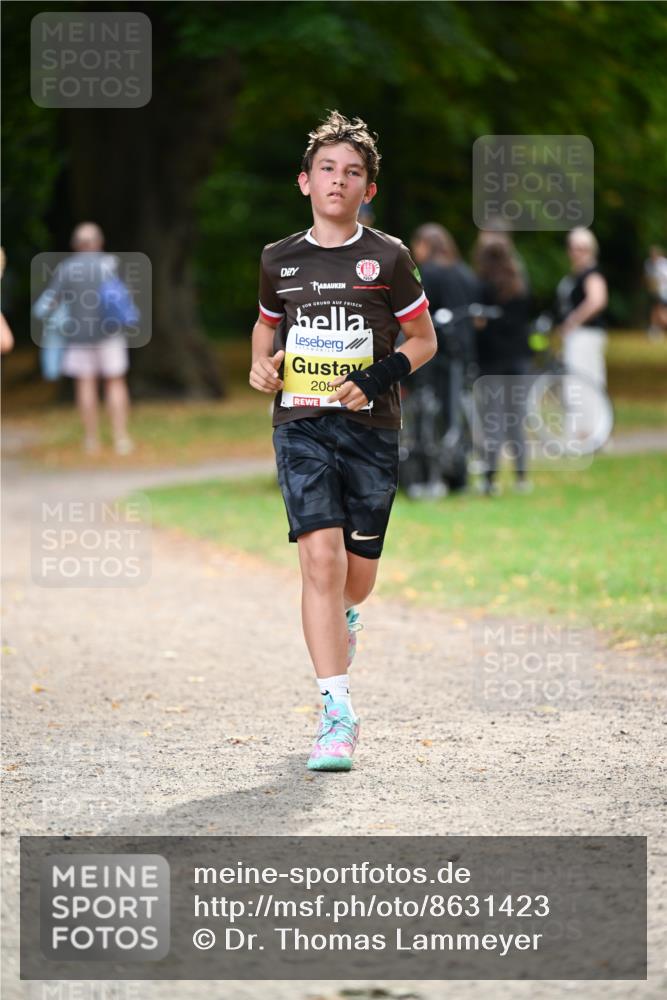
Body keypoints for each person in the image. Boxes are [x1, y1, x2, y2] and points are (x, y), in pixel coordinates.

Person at [249, 110, 436, 771]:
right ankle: (336, 712)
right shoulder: (278, 259)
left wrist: (374, 378)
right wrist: (260, 364)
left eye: (352, 172)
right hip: (299, 423)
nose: (337, 180)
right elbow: (265, 325)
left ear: (368, 189)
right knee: (319, 563)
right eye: (326, 169)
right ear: (304, 181)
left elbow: (424, 340)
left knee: (357, 577)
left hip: (371, 429)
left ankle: (344, 619)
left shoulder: (389, 258)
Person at [44, 222, 134, 455]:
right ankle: (121, 438)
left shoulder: (67, 268)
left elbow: (49, 302)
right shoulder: (111, 264)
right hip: (111, 334)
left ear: (75, 245)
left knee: (85, 384)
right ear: (99, 242)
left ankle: (91, 440)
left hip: (79, 336)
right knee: (115, 382)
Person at [474, 240, 533, 495]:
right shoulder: (520, 287)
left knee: (493, 420)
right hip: (519, 361)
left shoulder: (483, 288)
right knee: (515, 418)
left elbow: (481, 327)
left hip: (492, 362)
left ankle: (490, 478)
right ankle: (521, 476)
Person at [555, 227, 609, 441]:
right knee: (576, 382)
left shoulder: (592, 273)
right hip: (576, 335)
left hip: (586, 334)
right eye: (574, 247)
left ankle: (589, 432)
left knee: (584, 382)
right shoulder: (575, 275)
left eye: (582, 248)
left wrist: (573, 321)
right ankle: (583, 431)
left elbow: (597, 300)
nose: (577, 252)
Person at [644, 245, 667, 340]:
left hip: (664, 291)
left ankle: (656, 329)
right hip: (654, 292)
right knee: (655, 311)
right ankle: (655, 329)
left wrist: (656, 283)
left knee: (661, 312)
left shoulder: (663, 264)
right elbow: (647, 278)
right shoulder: (648, 263)